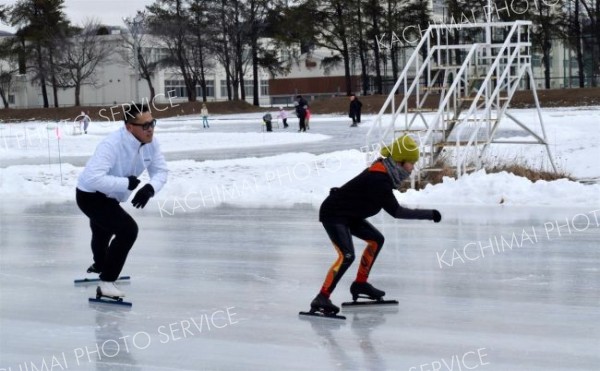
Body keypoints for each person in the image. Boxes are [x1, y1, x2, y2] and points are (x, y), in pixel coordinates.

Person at [310, 135, 441, 315]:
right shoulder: (379, 179)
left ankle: (360, 284)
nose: (413, 167)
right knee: (347, 255)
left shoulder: (385, 172)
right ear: (400, 161)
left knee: (376, 239)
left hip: (349, 214)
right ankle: (322, 297)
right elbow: (397, 212)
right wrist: (429, 214)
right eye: (411, 162)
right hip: (334, 214)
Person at [76, 103, 168, 298]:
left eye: (152, 123)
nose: (150, 129)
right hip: (89, 195)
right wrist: (125, 183)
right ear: (129, 127)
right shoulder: (112, 144)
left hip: (110, 197)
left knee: (102, 233)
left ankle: (101, 265)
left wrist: (150, 189)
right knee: (128, 230)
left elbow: (160, 171)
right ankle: (107, 282)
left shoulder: (152, 144)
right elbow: (92, 177)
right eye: (145, 125)